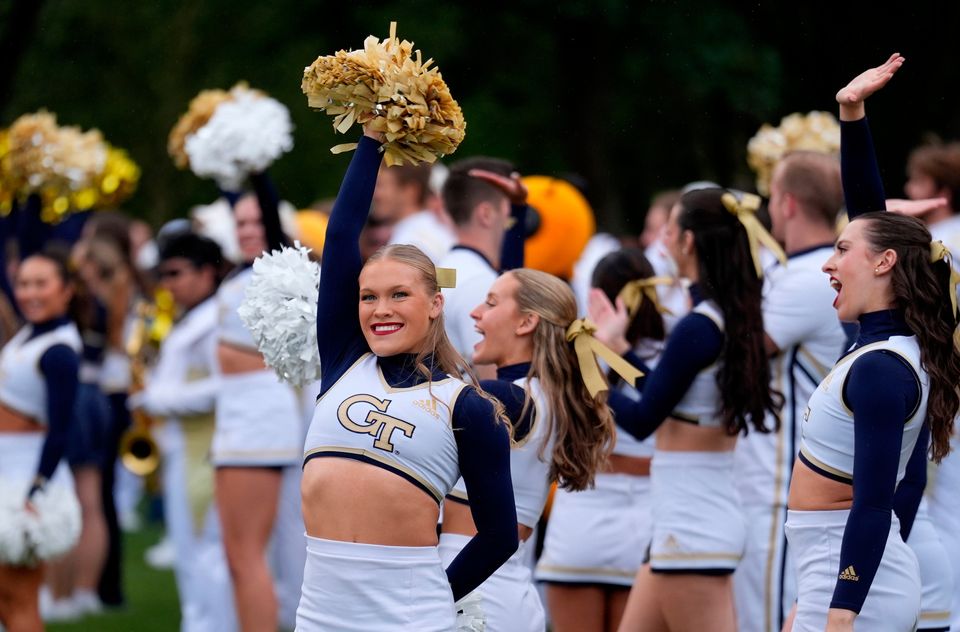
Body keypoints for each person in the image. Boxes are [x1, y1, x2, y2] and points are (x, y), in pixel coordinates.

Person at [295, 127, 519, 631]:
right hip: (318, 615)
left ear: (436, 303)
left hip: (409, 617)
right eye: (368, 297)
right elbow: (338, 236)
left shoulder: (467, 405)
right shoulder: (345, 362)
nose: (381, 310)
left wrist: (438, 597)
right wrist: (372, 138)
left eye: (399, 295)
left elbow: (500, 535)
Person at [784, 53, 960, 632]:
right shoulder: (879, 341)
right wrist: (851, 111)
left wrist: (840, 612)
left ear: (884, 264)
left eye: (840, 251)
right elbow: (870, 224)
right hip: (833, 568)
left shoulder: (885, 367)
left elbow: (876, 503)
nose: (827, 264)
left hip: (859, 581)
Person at [589, 187, 782, 632]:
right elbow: (668, 389)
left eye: (669, 230)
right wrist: (615, 349)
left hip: (693, 520)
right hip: (683, 513)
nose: (662, 242)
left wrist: (584, 377)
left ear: (688, 242)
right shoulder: (717, 316)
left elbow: (643, 418)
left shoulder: (699, 324)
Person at [733, 150, 847, 632]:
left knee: (769, 616)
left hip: (782, 480)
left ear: (788, 204)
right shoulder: (798, 269)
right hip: (765, 477)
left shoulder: (810, 275)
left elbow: (736, 356)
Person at [536, 248, 666, 632]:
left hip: (596, 508)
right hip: (615, 507)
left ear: (596, 295)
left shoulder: (581, 349)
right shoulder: (671, 353)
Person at [129, 232, 237, 632]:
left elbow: (227, 385)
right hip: (184, 450)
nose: (168, 284)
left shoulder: (221, 318)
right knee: (192, 554)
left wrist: (157, 400)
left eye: (175, 273)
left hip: (205, 451)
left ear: (207, 272)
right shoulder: (193, 316)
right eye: (163, 274)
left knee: (208, 553)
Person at [211, 184, 304, 631]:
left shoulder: (281, 273)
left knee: (246, 555)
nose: (248, 230)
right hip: (238, 421)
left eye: (256, 222)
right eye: (239, 222)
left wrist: (255, 169)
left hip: (259, 423)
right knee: (239, 556)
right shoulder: (240, 275)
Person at [0, 248, 83, 631]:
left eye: (41, 284)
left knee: (16, 597)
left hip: (23, 483)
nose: (30, 293)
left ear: (66, 290)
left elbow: (61, 430)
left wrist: (36, 490)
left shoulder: (60, 351)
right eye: (23, 283)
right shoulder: (31, 333)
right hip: (8, 471)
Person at [437, 157, 527, 373]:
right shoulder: (480, 284)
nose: (513, 222)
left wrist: (518, 208)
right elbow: (492, 380)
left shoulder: (447, 268)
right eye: (509, 213)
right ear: (486, 214)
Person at [376, 161, 455, 263]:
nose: (375, 194)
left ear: (410, 191)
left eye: (381, 185)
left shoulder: (410, 245)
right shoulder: (433, 229)